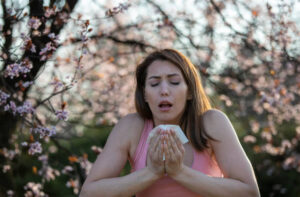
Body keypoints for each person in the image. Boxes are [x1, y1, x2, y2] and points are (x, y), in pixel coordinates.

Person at [79, 49, 260, 197]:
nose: (164, 91)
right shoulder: (131, 127)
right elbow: (89, 193)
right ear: (144, 94)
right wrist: (152, 172)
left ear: (189, 91)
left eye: (174, 82)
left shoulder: (212, 123)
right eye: (155, 84)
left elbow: (250, 192)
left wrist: (179, 172)